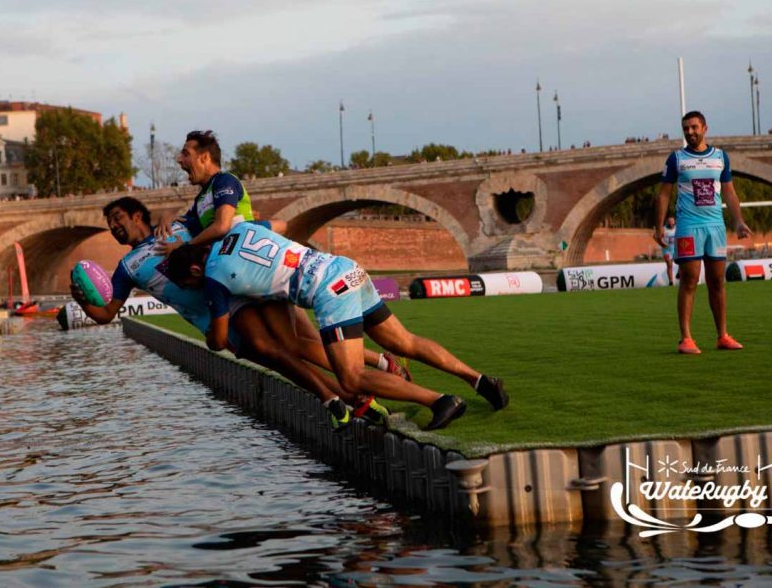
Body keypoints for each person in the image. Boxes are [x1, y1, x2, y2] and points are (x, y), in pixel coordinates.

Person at [71, 197, 409, 429]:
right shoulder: (126, 267)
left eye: (117, 218)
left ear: (136, 215)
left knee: (287, 346)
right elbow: (106, 314)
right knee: (280, 352)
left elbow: (218, 219)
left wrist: (169, 216)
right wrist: (82, 299)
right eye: (109, 222)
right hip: (211, 315)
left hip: (242, 289)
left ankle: (344, 393)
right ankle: (360, 387)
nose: (113, 226)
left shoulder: (179, 227)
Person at [164, 222, 509, 430]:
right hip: (344, 266)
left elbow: (221, 338)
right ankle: (478, 380)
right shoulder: (241, 228)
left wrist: (209, 327)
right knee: (404, 340)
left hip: (328, 291)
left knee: (351, 377)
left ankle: (440, 400)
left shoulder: (211, 279)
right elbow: (282, 228)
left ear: (195, 272)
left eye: (189, 285)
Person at [654, 111, 751, 354]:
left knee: (717, 281)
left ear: (705, 128)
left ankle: (723, 336)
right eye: (686, 128)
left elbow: (729, 191)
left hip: (715, 227)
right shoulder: (676, 159)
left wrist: (738, 221)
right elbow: (664, 193)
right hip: (688, 227)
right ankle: (686, 339)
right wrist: (658, 226)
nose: (690, 132)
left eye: (694, 127)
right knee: (689, 280)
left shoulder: (720, 157)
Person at [158, 130, 253, 257]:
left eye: (186, 154)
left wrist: (185, 247)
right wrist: (166, 215)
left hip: (243, 256)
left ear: (204, 158)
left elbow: (222, 226)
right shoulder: (201, 198)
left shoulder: (224, 180)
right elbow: (183, 221)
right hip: (226, 258)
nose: (179, 160)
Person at [661, 216, 677, 286]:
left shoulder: (677, 228)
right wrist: (662, 243)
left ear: (674, 222)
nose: (671, 223)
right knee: (669, 265)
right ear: (667, 222)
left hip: (676, 249)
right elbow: (655, 236)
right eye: (669, 221)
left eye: (672, 221)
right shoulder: (663, 229)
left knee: (682, 263)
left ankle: (679, 273)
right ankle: (671, 281)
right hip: (667, 250)